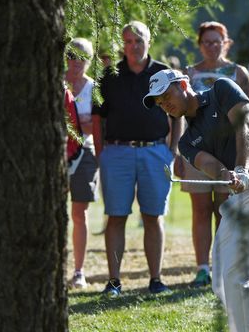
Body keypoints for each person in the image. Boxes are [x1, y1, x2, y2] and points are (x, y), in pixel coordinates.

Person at [144, 69, 249, 332]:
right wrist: (227, 174)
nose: (164, 104)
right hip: (240, 200)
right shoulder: (187, 142)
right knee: (221, 279)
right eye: (159, 102)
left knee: (236, 278)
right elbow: (210, 165)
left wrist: (242, 169)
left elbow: (244, 126)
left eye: (166, 95)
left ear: (184, 84)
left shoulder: (222, 89)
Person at [92, 21, 182, 296]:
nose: (134, 46)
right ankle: (114, 281)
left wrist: (172, 149)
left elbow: (177, 113)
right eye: (129, 41)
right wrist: (100, 153)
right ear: (123, 44)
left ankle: (156, 280)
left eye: (139, 40)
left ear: (149, 40)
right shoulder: (109, 75)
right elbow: (98, 117)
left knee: (153, 217)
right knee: (116, 216)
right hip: (116, 152)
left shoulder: (162, 73)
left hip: (155, 152)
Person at [182, 21, 249, 288]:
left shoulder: (238, 72)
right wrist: (177, 153)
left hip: (229, 150)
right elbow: (178, 115)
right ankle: (202, 267)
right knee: (200, 210)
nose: (212, 47)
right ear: (199, 45)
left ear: (226, 43)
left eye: (217, 42)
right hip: (197, 149)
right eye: (206, 42)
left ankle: (223, 264)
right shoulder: (188, 73)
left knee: (225, 210)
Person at [65, 38, 100, 288]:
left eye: (82, 57)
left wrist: (77, 122)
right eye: (72, 56)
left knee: (79, 212)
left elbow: (95, 125)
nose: (76, 62)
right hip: (55, 152)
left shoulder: (94, 88)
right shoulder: (54, 83)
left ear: (89, 60)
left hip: (85, 154)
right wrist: (81, 122)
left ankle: (78, 270)